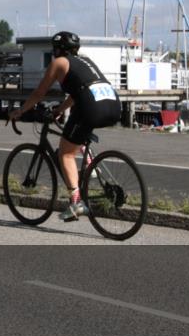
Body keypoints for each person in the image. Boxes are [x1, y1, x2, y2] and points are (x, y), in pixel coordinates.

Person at [8, 31, 121, 222]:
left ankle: (76, 203)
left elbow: (39, 93)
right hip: (113, 104)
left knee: (65, 153)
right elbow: (79, 91)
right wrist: (60, 109)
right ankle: (90, 168)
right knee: (77, 135)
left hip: (91, 106)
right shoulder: (85, 61)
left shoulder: (59, 63)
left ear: (58, 49)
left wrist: (19, 112)